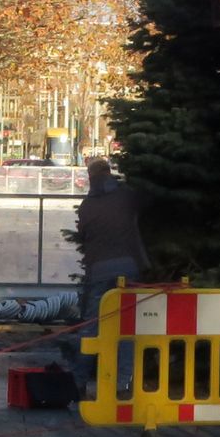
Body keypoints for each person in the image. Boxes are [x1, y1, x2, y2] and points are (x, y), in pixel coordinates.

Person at [75, 157, 148, 394]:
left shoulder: (87, 206)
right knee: (126, 326)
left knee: (90, 327)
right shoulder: (127, 198)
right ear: (110, 174)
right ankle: (123, 383)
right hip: (128, 269)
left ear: (90, 177)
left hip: (98, 271)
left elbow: (84, 236)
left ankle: (79, 383)